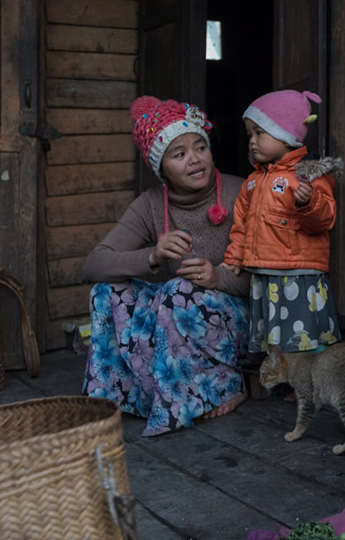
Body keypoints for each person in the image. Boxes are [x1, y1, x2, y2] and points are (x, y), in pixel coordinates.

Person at [82, 95, 250, 436]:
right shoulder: (149, 205)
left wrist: (218, 277)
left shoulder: (242, 192)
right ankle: (133, 397)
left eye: (200, 147)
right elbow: (95, 264)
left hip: (239, 322)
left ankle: (225, 386)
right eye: (180, 154)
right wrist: (152, 257)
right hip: (177, 320)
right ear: (161, 169)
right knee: (106, 291)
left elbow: (267, 278)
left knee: (178, 291)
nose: (195, 160)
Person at [222, 89, 342, 356]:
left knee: (302, 336)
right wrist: (234, 258)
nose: (252, 141)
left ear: (286, 137)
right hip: (264, 271)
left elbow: (324, 220)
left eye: (259, 133)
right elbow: (241, 226)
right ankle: (286, 383)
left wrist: (309, 202)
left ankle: (309, 384)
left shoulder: (307, 175)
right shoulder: (252, 181)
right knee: (276, 339)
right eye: (249, 134)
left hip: (297, 273)